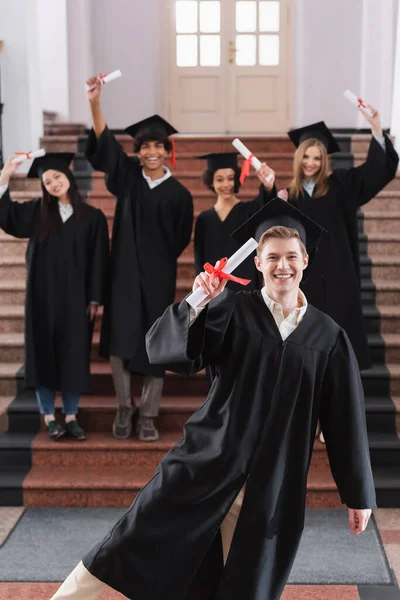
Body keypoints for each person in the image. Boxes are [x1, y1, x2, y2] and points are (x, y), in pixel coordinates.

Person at [49, 198, 375, 600]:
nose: (282, 266)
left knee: (247, 582)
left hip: (274, 483)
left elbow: (345, 420)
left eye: (292, 256)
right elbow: (168, 354)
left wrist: (358, 495)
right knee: (125, 543)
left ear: (305, 260)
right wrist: (197, 300)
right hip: (207, 462)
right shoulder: (233, 310)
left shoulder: (328, 337)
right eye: (272, 257)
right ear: (257, 263)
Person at [85, 76, 194, 442]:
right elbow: (106, 148)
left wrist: (157, 262)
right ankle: (123, 406)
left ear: (167, 151)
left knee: (156, 345)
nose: (151, 152)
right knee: (119, 341)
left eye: (158, 146)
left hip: (158, 277)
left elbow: (180, 238)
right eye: (145, 146)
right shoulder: (128, 179)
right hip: (123, 276)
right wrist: (95, 104)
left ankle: (148, 413)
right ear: (138, 152)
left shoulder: (179, 194)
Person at [260, 109, 399, 371]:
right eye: (307, 157)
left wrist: (377, 128)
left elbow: (374, 173)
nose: (311, 163)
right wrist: (272, 196)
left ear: (324, 161)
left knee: (338, 352)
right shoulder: (288, 195)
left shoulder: (340, 186)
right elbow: (267, 232)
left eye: (317, 158)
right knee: (305, 351)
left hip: (338, 275)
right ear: (298, 159)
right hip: (304, 278)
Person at [0, 153, 109, 440]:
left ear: (69, 179)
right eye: (47, 181)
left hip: (77, 299)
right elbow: (7, 216)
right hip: (41, 300)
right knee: (42, 354)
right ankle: (49, 417)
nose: (53, 184)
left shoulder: (92, 217)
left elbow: (99, 260)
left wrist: (95, 299)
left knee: (73, 355)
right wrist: (6, 175)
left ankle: (71, 416)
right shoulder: (37, 213)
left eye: (58, 177)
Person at [195, 152, 275, 290]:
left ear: (237, 179)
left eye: (230, 178)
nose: (226, 184)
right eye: (219, 179)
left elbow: (267, 203)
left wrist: (268, 186)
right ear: (211, 182)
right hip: (214, 288)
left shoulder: (249, 210)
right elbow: (199, 258)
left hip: (245, 285)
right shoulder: (204, 219)